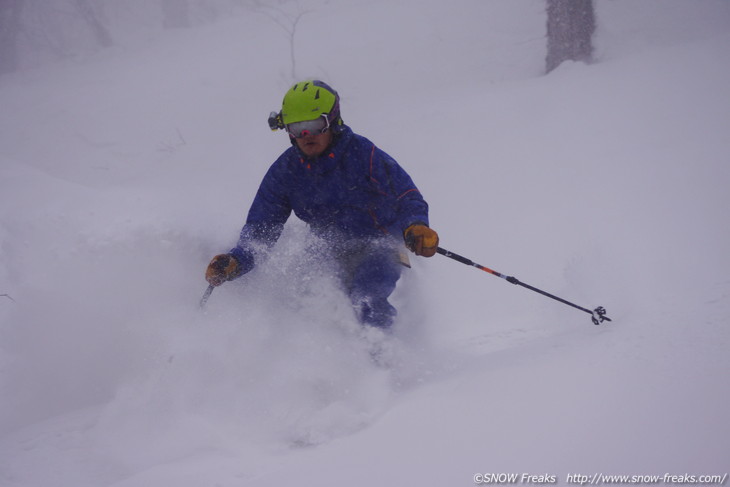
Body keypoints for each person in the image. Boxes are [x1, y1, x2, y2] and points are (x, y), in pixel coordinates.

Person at [205, 79, 439, 328]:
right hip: (329, 249)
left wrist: (416, 226)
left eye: (314, 125)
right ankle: (326, 361)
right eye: (296, 128)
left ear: (333, 121)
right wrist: (237, 260)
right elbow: (261, 227)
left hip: (379, 246)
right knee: (308, 302)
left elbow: (407, 195)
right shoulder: (285, 172)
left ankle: (383, 360)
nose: (306, 136)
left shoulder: (364, 155)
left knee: (366, 298)